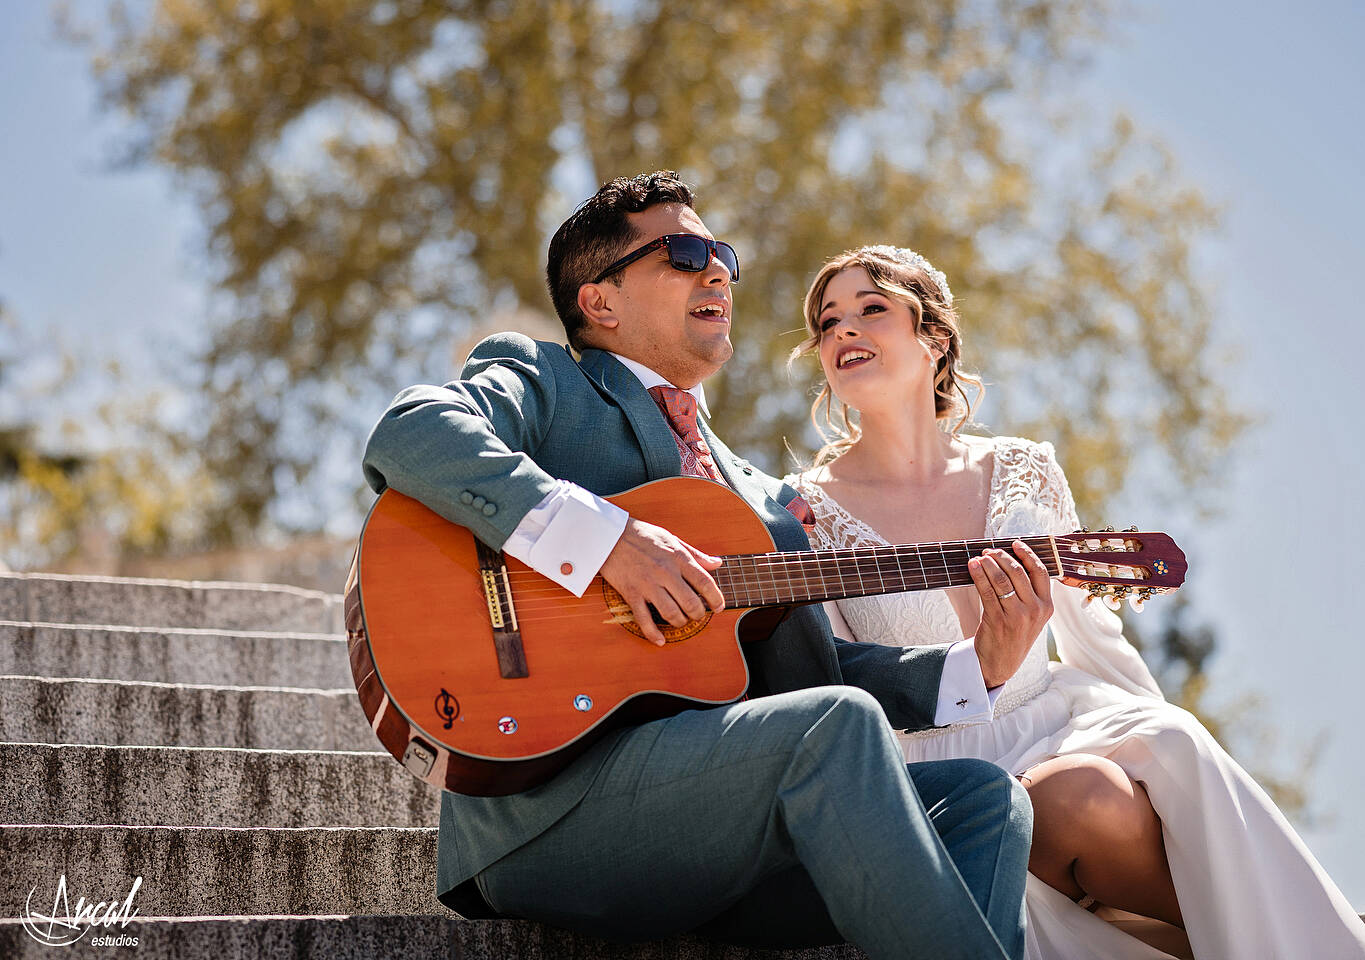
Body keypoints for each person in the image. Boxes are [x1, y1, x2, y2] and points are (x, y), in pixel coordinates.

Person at [360, 173, 1038, 959]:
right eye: (683, 253)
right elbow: (411, 430)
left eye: (721, 254)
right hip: (553, 811)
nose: (716, 269)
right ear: (601, 302)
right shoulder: (549, 381)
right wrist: (611, 543)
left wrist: (973, 670)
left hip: (725, 834)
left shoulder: (757, 494)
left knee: (988, 801)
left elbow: (812, 671)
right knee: (836, 726)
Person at [783, 244, 1365, 960]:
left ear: (935, 340)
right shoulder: (806, 514)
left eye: (871, 310)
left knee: (1153, 753)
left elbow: (1092, 635)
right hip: (938, 772)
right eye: (827, 324)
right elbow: (834, 683)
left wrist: (1159, 756)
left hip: (1058, 718)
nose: (843, 333)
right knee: (1072, 798)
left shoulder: (1024, 467)